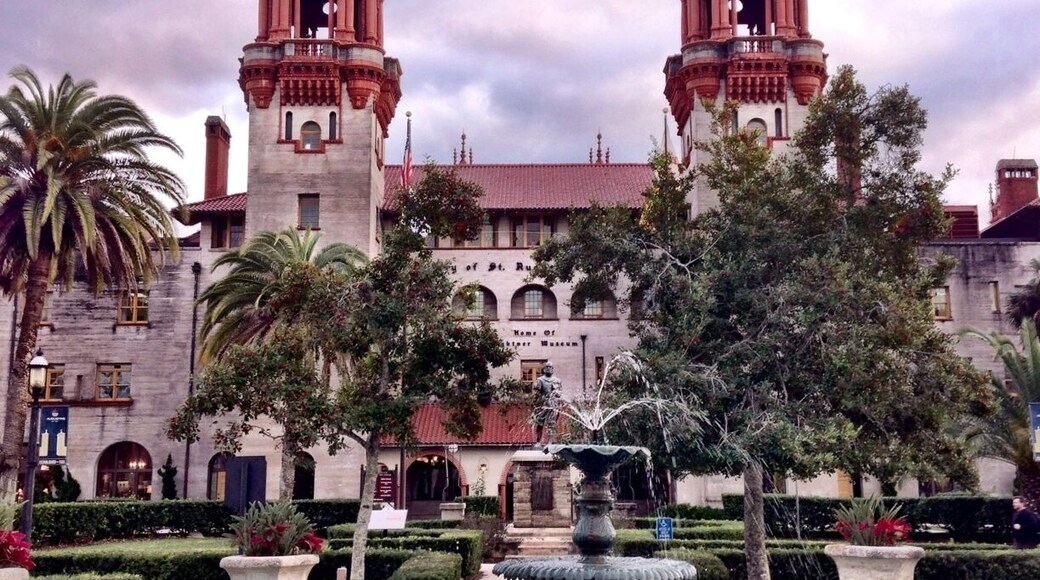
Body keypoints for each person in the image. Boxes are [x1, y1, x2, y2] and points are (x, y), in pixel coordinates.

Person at [532, 362, 563, 446]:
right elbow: (536, 393)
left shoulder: (557, 380)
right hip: (543, 404)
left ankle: (550, 441)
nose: (548, 368)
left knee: (551, 423)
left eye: (550, 367)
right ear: (544, 369)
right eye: (547, 367)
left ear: (553, 369)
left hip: (553, 405)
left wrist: (557, 394)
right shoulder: (540, 380)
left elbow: (560, 392)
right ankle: (538, 441)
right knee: (540, 422)